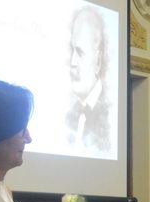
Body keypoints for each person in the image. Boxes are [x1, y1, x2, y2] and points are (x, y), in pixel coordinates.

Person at [65, 7, 110, 153]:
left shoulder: (110, 114)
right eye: (72, 51)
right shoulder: (71, 112)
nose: (73, 62)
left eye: (80, 52)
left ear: (98, 61)